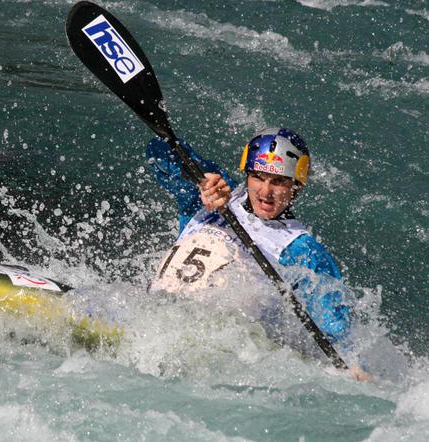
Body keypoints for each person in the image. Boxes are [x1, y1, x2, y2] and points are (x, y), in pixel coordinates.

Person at [145, 127, 370, 381]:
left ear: (296, 185)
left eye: (278, 181)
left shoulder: (301, 249)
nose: (265, 192)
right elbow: (159, 149)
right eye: (257, 177)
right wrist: (198, 180)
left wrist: (355, 368)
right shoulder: (215, 193)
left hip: (215, 352)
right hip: (154, 318)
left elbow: (337, 329)